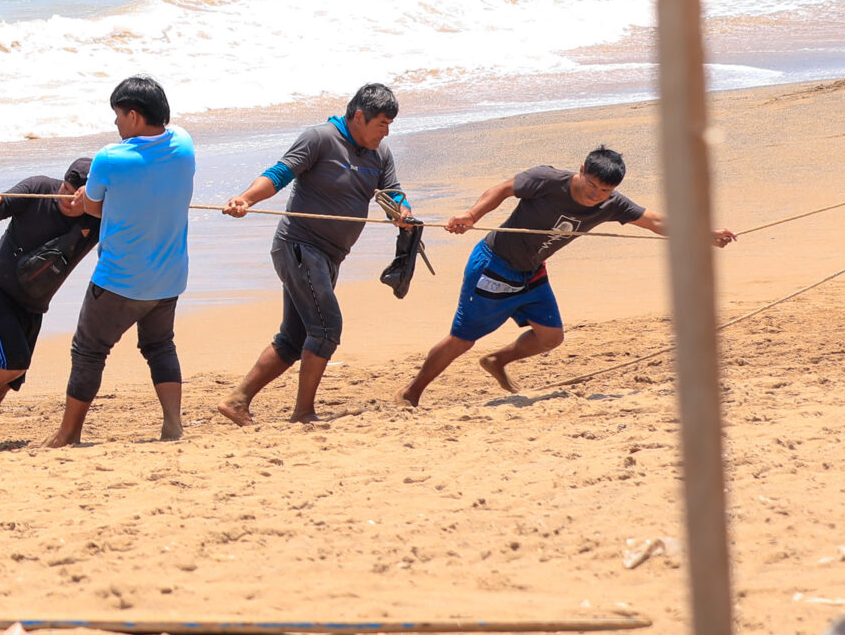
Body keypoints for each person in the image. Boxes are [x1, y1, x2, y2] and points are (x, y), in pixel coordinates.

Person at [397, 147, 736, 406]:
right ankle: (411, 393)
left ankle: (497, 360)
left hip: (532, 272)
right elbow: (502, 189)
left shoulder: (611, 204)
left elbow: (654, 221)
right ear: (581, 171)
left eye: (604, 191)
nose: (595, 196)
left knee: (551, 337)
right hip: (494, 264)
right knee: (462, 340)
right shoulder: (547, 180)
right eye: (591, 186)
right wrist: (471, 215)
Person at [216, 85, 414, 426]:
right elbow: (279, 174)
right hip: (299, 247)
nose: (386, 131)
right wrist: (246, 199)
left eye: (390, 124)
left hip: (331, 256)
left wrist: (403, 213)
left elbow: (394, 194)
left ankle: (236, 401)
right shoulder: (319, 139)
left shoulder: (380, 154)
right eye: (382, 123)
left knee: (294, 340)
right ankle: (304, 413)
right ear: (358, 116)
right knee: (325, 328)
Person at [50, 77, 194, 448]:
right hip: (169, 276)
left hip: (120, 279)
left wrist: (87, 196)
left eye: (117, 115)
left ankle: (68, 433)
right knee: (160, 346)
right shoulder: (184, 143)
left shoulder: (111, 157)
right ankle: (173, 426)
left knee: (89, 350)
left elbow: (94, 209)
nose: (115, 124)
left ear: (133, 115)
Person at [0, 158, 99, 441]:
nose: (68, 200)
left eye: (77, 196)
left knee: (10, 377)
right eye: (66, 190)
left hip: (33, 304)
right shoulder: (39, 188)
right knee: (13, 362)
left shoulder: (97, 217)